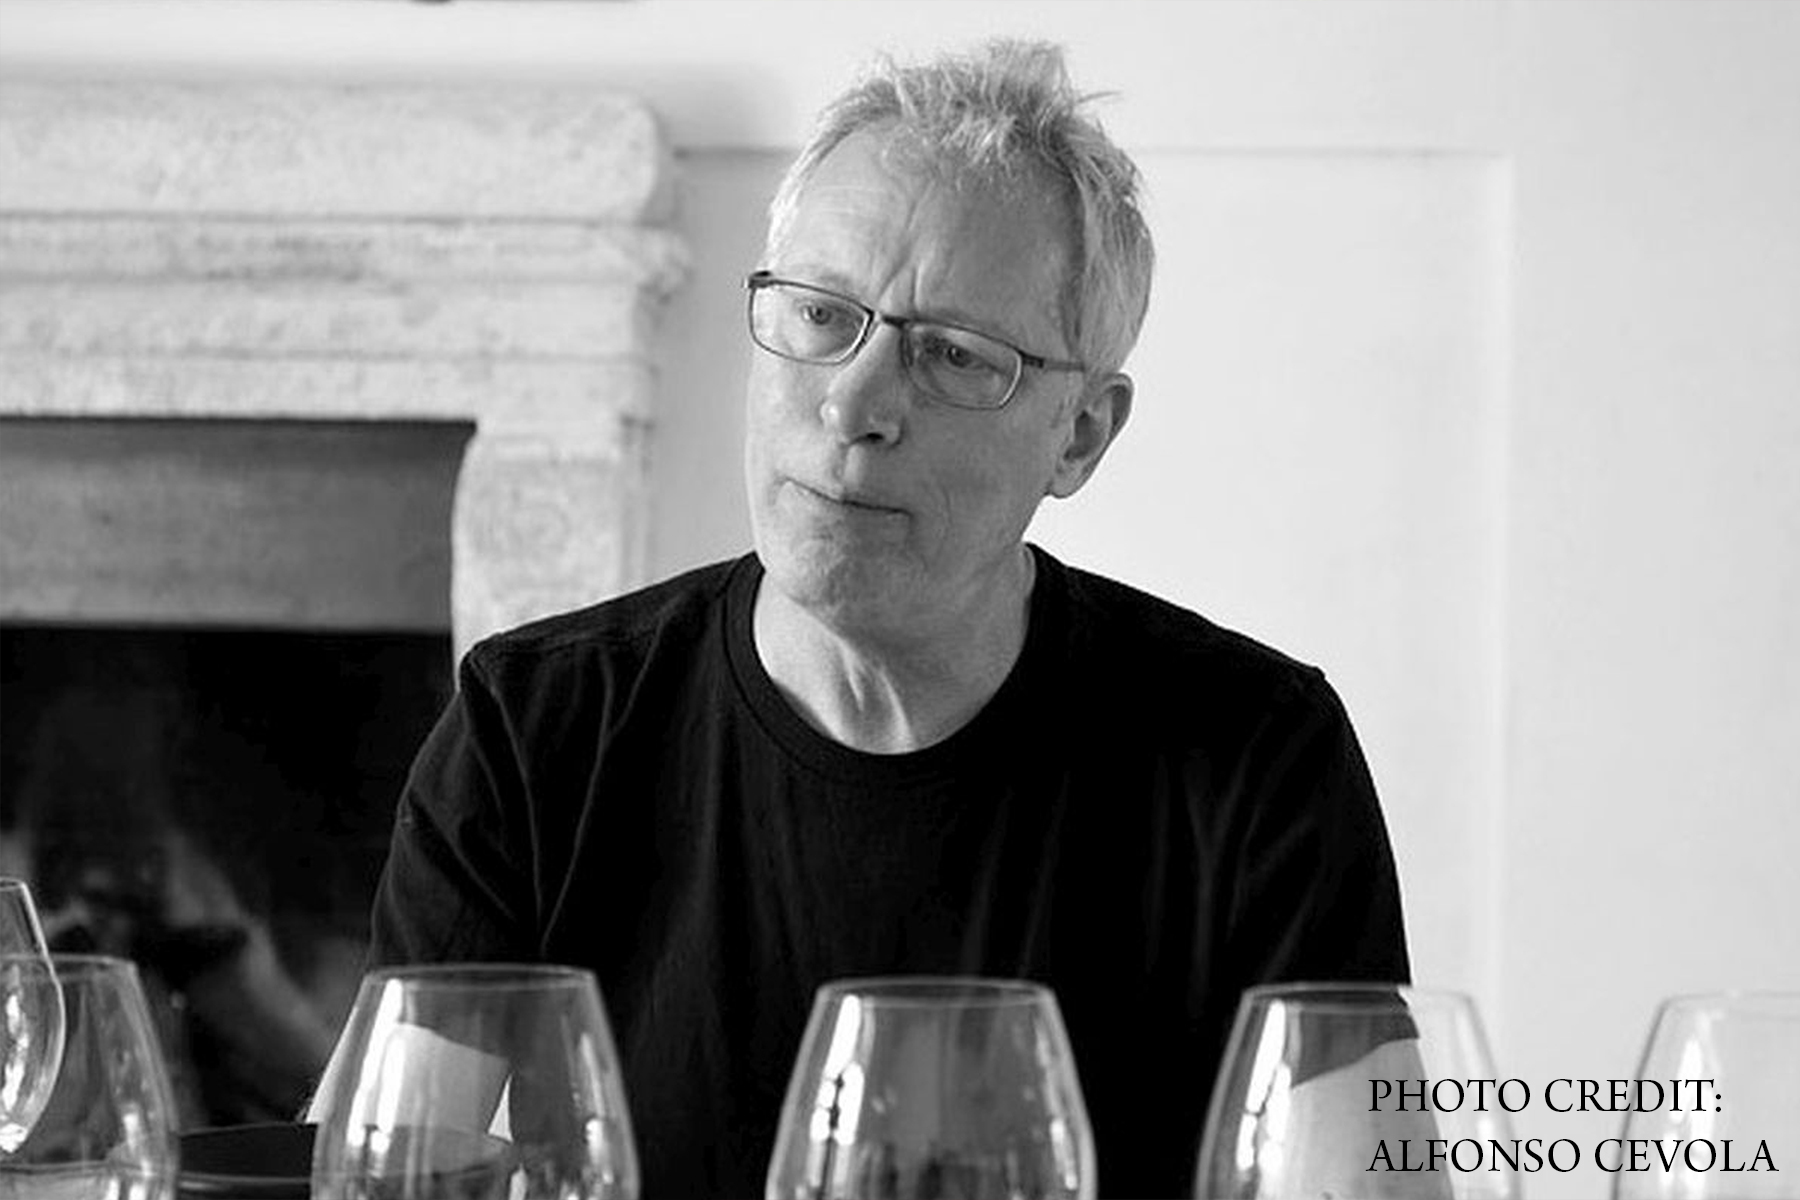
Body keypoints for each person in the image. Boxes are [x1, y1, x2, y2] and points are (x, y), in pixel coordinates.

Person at [353, 39, 1410, 1199]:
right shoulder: (536, 725)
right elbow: (384, 1167)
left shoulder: (1256, 753)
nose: (854, 403)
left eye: (953, 355)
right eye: (820, 314)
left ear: (1080, 437)